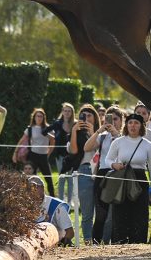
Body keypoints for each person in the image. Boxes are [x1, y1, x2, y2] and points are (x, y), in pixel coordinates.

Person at [105, 113, 151, 244]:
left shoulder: (147, 144)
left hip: (140, 181)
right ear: (126, 125)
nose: (133, 126)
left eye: (136, 123)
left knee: (139, 215)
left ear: (141, 126)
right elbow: (107, 159)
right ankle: (119, 244)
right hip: (122, 180)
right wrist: (114, 165)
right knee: (120, 215)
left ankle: (138, 244)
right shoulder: (119, 141)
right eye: (130, 123)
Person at [84, 105, 124, 243]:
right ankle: (96, 241)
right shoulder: (102, 136)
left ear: (121, 120)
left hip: (119, 174)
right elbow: (87, 147)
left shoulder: (125, 137)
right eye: (109, 119)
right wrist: (98, 131)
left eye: (116, 119)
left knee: (118, 213)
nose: (113, 122)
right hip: (102, 174)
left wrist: (116, 135)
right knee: (101, 213)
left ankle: (117, 241)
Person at [67, 104, 99, 244]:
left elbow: (101, 148)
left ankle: (101, 240)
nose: (86, 118)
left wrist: (94, 133)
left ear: (95, 118)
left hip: (100, 172)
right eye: (83, 116)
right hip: (84, 171)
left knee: (102, 211)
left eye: (89, 116)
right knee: (86, 212)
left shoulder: (101, 132)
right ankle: (87, 241)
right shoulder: (76, 133)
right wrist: (74, 131)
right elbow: (73, 151)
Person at [12, 108, 55, 196]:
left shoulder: (48, 128)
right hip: (33, 156)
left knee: (48, 179)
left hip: (43, 156)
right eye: (37, 116)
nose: (39, 118)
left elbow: (53, 142)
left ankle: (52, 197)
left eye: (41, 116)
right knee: (30, 178)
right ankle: (29, 197)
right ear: (34, 117)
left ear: (44, 118)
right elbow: (22, 140)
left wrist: (48, 153)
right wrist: (15, 153)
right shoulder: (30, 129)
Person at [28, 176, 74, 246]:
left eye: (35, 187)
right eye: (29, 189)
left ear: (42, 188)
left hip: (56, 244)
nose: (32, 191)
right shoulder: (24, 207)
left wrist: (62, 244)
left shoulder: (57, 206)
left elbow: (70, 232)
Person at [46, 103, 75, 205]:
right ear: (62, 112)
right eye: (65, 111)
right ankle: (61, 201)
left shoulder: (75, 124)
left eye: (69, 111)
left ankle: (70, 202)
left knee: (70, 179)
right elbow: (44, 131)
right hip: (59, 156)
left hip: (72, 156)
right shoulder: (57, 123)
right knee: (62, 178)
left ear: (72, 113)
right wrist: (53, 138)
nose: (67, 113)